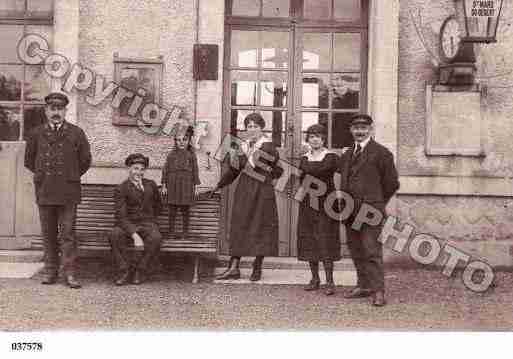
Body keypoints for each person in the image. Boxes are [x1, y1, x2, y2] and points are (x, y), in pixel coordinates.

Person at [24, 92, 92, 289]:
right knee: (48, 233)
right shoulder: (36, 133)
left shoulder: (76, 133)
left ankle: (70, 273)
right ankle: (50, 271)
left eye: (59, 109)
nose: (56, 113)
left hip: (68, 192)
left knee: (68, 234)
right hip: (45, 190)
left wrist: (69, 175)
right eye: (52, 109)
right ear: (46, 111)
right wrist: (44, 176)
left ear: (65, 111)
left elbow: (85, 160)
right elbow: (29, 161)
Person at [337, 114, 399, 307]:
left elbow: (391, 184)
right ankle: (363, 286)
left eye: (363, 128)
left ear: (371, 130)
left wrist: (376, 202)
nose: (359, 131)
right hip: (350, 211)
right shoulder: (347, 154)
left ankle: (378, 291)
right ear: (351, 130)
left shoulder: (382, 153)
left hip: (371, 211)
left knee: (372, 251)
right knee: (356, 250)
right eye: (356, 128)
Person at [212, 113, 283, 281]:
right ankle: (234, 268)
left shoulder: (268, 146)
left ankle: (257, 267)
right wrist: (219, 185)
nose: (252, 129)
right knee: (240, 225)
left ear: (261, 128)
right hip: (244, 189)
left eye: (255, 126)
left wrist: (267, 177)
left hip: (262, 191)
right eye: (249, 126)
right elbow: (234, 170)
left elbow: (279, 171)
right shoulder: (241, 147)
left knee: (261, 227)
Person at [297, 124, 341, 296]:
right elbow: (301, 179)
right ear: (308, 139)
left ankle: (330, 281)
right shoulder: (304, 158)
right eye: (312, 136)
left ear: (323, 139)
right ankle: (315, 279)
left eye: (318, 136)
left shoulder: (331, 157)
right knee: (309, 238)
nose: (315, 139)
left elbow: (346, 171)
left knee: (325, 238)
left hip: (326, 203)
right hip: (308, 203)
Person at [109, 154, 163, 286]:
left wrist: (150, 220)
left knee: (156, 238)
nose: (139, 172)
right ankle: (124, 270)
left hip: (147, 224)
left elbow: (158, 207)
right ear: (129, 169)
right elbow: (121, 216)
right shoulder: (121, 189)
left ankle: (140, 270)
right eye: (135, 168)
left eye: (142, 169)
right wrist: (134, 235)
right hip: (127, 224)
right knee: (114, 235)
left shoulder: (151, 185)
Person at [161, 125, 200, 240]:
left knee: (185, 210)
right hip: (173, 184)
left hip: (186, 185)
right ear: (175, 141)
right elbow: (165, 170)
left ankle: (185, 233)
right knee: (172, 210)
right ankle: (171, 232)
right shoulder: (171, 155)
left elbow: (195, 170)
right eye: (178, 140)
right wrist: (164, 185)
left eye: (184, 140)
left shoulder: (191, 155)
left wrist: (196, 187)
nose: (181, 142)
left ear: (188, 141)